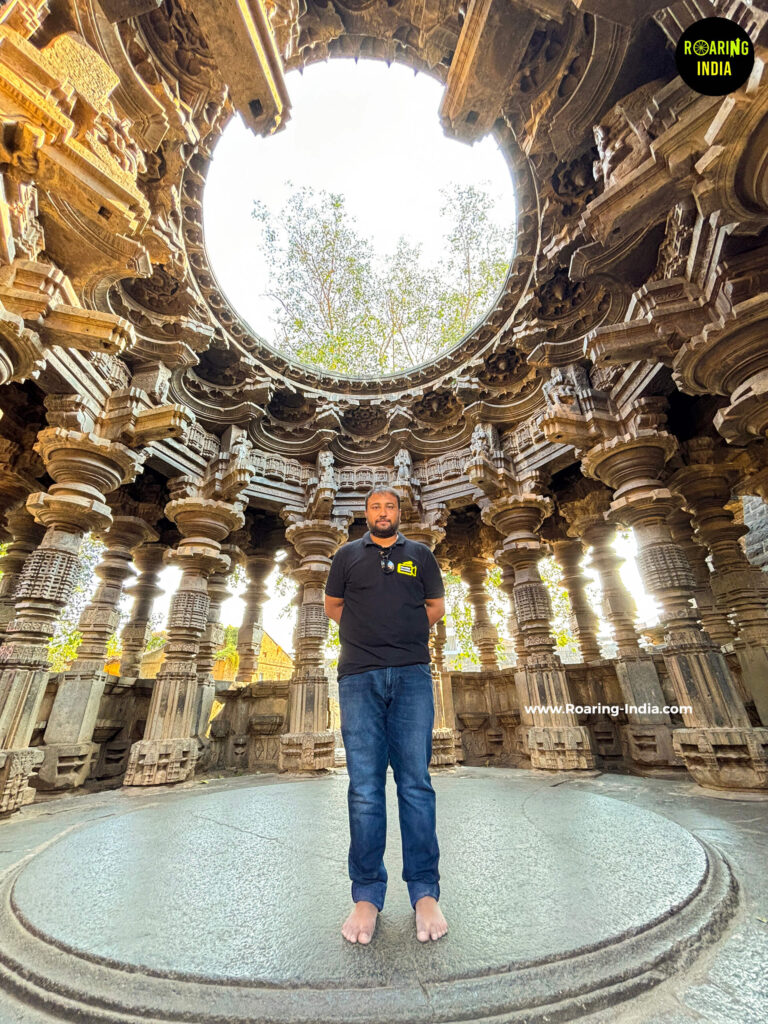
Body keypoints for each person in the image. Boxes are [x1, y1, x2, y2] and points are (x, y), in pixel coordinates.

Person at [324, 488, 448, 945]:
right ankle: (367, 894)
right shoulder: (345, 556)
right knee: (364, 786)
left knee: (416, 781)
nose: (382, 513)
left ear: (399, 513)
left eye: (390, 507)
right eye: (375, 507)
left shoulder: (420, 554)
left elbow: (435, 606)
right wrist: (370, 634)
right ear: (366, 514)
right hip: (358, 675)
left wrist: (403, 633)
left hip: (413, 672)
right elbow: (332, 606)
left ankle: (424, 892)